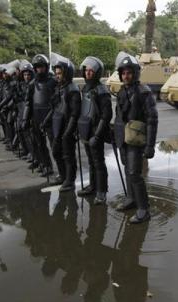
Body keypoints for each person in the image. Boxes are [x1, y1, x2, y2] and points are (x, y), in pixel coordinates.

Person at [113, 52, 158, 224]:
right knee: (127, 171)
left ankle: (143, 209)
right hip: (123, 138)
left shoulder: (144, 92)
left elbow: (152, 120)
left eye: (129, 72)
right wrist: (114, 131)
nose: (126, 76)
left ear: (136, 73)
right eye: (123, 73)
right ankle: (131, 199)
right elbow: (119, 115)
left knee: (135, 174)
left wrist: (150, 146)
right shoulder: (122, 91)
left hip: (136, 139)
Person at [77, 56, 112, 204]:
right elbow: (83, 110)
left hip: (96, 131)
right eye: (87, 71)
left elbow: (106, 115)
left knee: (98, 162)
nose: (88, 73)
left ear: (97, 73)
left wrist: (97, 136)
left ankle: (102, 192)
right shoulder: (86, 88)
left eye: (91, 71)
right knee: (91, 162)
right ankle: (92, 186)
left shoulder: (102, 90)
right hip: (86, 130)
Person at [46, 53, 81, 191]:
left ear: (67, 73)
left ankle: (70, 181)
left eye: (60, 73)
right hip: (57, 126)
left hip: (67, 127)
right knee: (56, 152)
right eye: (56, 73)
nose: (57, 75)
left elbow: (74, 113)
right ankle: (63, 175)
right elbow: (55, 108)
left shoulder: (72, 89)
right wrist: (46, 120)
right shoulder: (59, 88)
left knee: (68, 155)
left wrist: (69, 131)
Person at [22, 54, 57, 177]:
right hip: (36, 117)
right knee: (39, 144)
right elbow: (28, 102)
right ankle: (45, 165)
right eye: (37, 67)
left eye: (41, 67)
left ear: (46, 67)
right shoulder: (32, 84)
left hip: (50, 118)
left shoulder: (53, 82)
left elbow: (57, 102)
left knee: (54, 146)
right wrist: (25, 119)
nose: (39, 70)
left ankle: (59, 170)